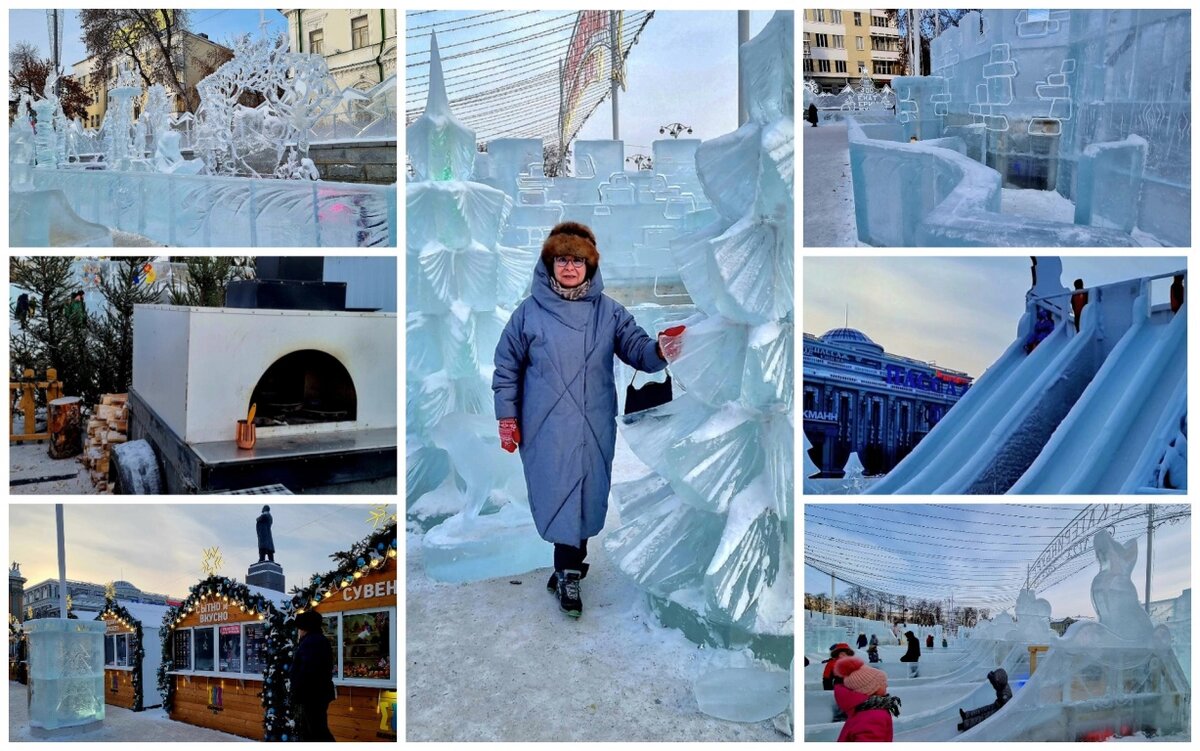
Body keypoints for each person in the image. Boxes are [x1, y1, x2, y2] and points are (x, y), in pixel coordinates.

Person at [493, 221, 685, 618]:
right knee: (559, 490)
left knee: (586, 493)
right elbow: (506, 369)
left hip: (595, 422)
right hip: (545, 426)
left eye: (577, 260)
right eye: (561, 259)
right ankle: (568, 571)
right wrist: (507, 419)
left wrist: (662, 349)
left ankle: (569, 564)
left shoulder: (610, 313)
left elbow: (638, 350)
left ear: (590, 266)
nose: (569, 267)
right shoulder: (527, 315)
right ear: (549, 264)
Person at [291, 610, 336, 741]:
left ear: (306, 628)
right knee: (312, 730)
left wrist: (297, 689)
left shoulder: (312, 643)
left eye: (300, 628)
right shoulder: (316, 640)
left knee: (317, 731)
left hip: (312, 695)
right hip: (315, 694)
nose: (299, 631)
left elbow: (308, 672)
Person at [833, 656, 901, 742]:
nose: (886, 685)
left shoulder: (863, 710)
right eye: (882, 682)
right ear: (870, 688)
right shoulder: (874, 716)